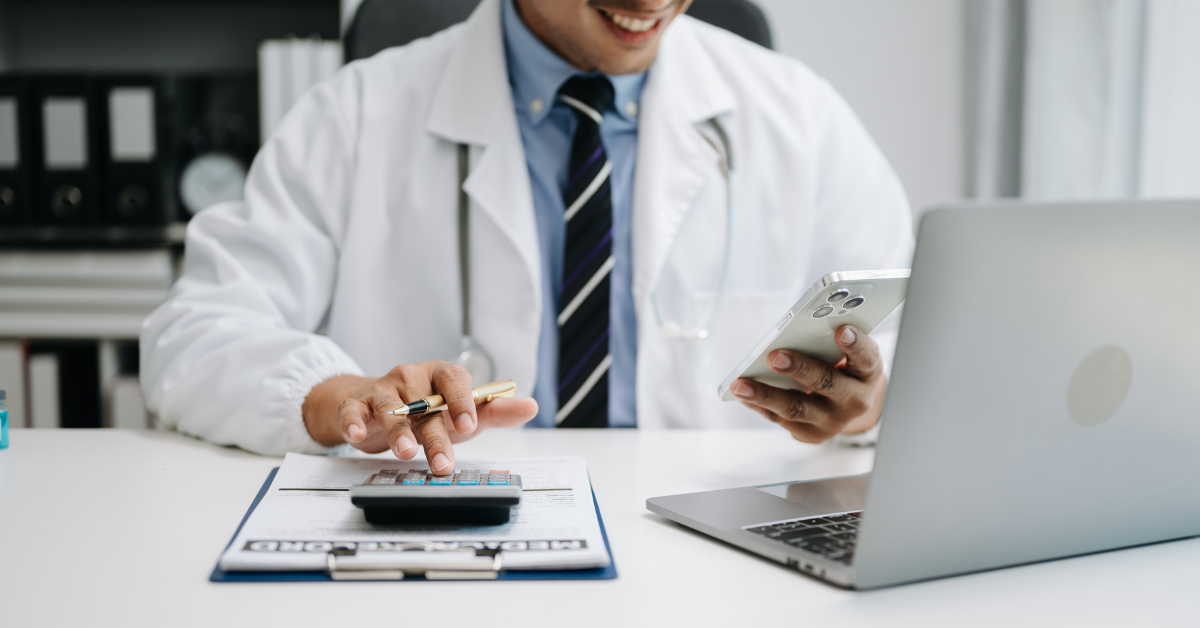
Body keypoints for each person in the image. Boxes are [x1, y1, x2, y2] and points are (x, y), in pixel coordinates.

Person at [140, 0, 914, 472]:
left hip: (705, 558)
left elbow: (915, 334)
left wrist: (870, 402)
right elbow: (194, 336)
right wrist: (338, 397)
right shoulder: (354, 115)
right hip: (441, 542)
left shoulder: (798, 117)